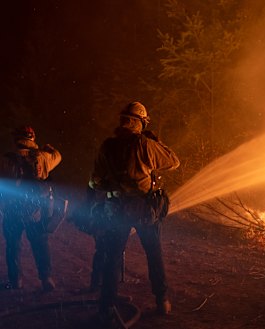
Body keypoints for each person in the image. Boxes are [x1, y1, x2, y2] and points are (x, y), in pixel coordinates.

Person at [88, 101, 179, 323]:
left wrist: (114, 186)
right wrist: (156, 141)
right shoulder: (145, 144)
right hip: (144, 210)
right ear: (139, 123)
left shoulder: (107, 146)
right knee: (153, 254)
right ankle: (162, 300)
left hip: (116, 210)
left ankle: (106, 307)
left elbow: (94, 182)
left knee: (112, 257)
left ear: (122, 121)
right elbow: (173, 162)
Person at [0, 125, 61, 291]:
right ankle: (46, 278)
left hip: (13, 208)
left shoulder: (6, 159)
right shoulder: (42, 156)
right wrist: (50, 148)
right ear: (32, 138)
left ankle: (16, 280)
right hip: (35, 209)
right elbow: (58, 157)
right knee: (40, 243)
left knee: (13, 245)